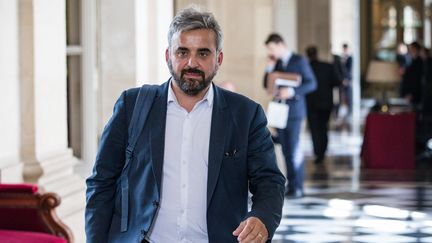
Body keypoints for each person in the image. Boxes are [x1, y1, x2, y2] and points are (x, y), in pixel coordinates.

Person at [85, 6, 285, 243]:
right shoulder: (132, 105)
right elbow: (102, 182)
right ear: (168, 55)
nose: (192, 62)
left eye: (203, 53)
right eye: (182, 52)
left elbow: (270, 181)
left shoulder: (246, 114)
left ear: (218, 58)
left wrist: (262, 217)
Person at [263, 33, 316, 198]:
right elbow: (266, 84)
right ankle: (291, 185)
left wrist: (291, 91)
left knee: (293, 150)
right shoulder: (277, 63)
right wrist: (269, 68)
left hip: (294, 112)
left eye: (272, 48)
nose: (271, 52)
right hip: (280, 112)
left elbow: (311, 83)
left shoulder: (299, 60)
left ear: (280, 44)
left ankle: (298, 186)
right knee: (285, 149)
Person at [305, 46, 341, 165]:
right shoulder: (327, 66)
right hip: (326, 103)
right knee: (323, 128)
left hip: (311, 104)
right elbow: (337, 82)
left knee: (314, 129)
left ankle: (318, 152)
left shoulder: (306, 68)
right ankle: (322, 152)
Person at [400, 41, 423, 106]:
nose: (410, 51)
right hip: (408, 94)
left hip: (414, 95)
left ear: (417, 50)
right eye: (409, 49)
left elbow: (416, 80)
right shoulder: (410, 61)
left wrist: (411, 94)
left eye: (412, 49)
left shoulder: (420, 63)